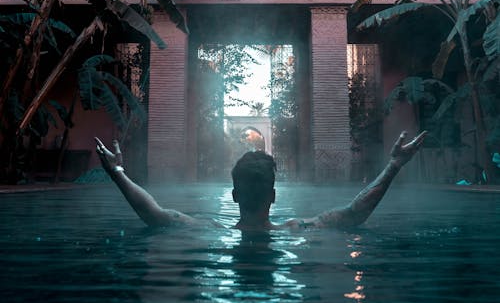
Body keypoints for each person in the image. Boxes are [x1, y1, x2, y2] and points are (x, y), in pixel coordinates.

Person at [95, 130, 426, 232]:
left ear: (234, 195)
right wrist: (394, 165)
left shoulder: (206, 228)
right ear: (274, 196)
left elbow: (154, 213)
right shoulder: (299, 229)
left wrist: (117, 172)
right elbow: (355, 213)